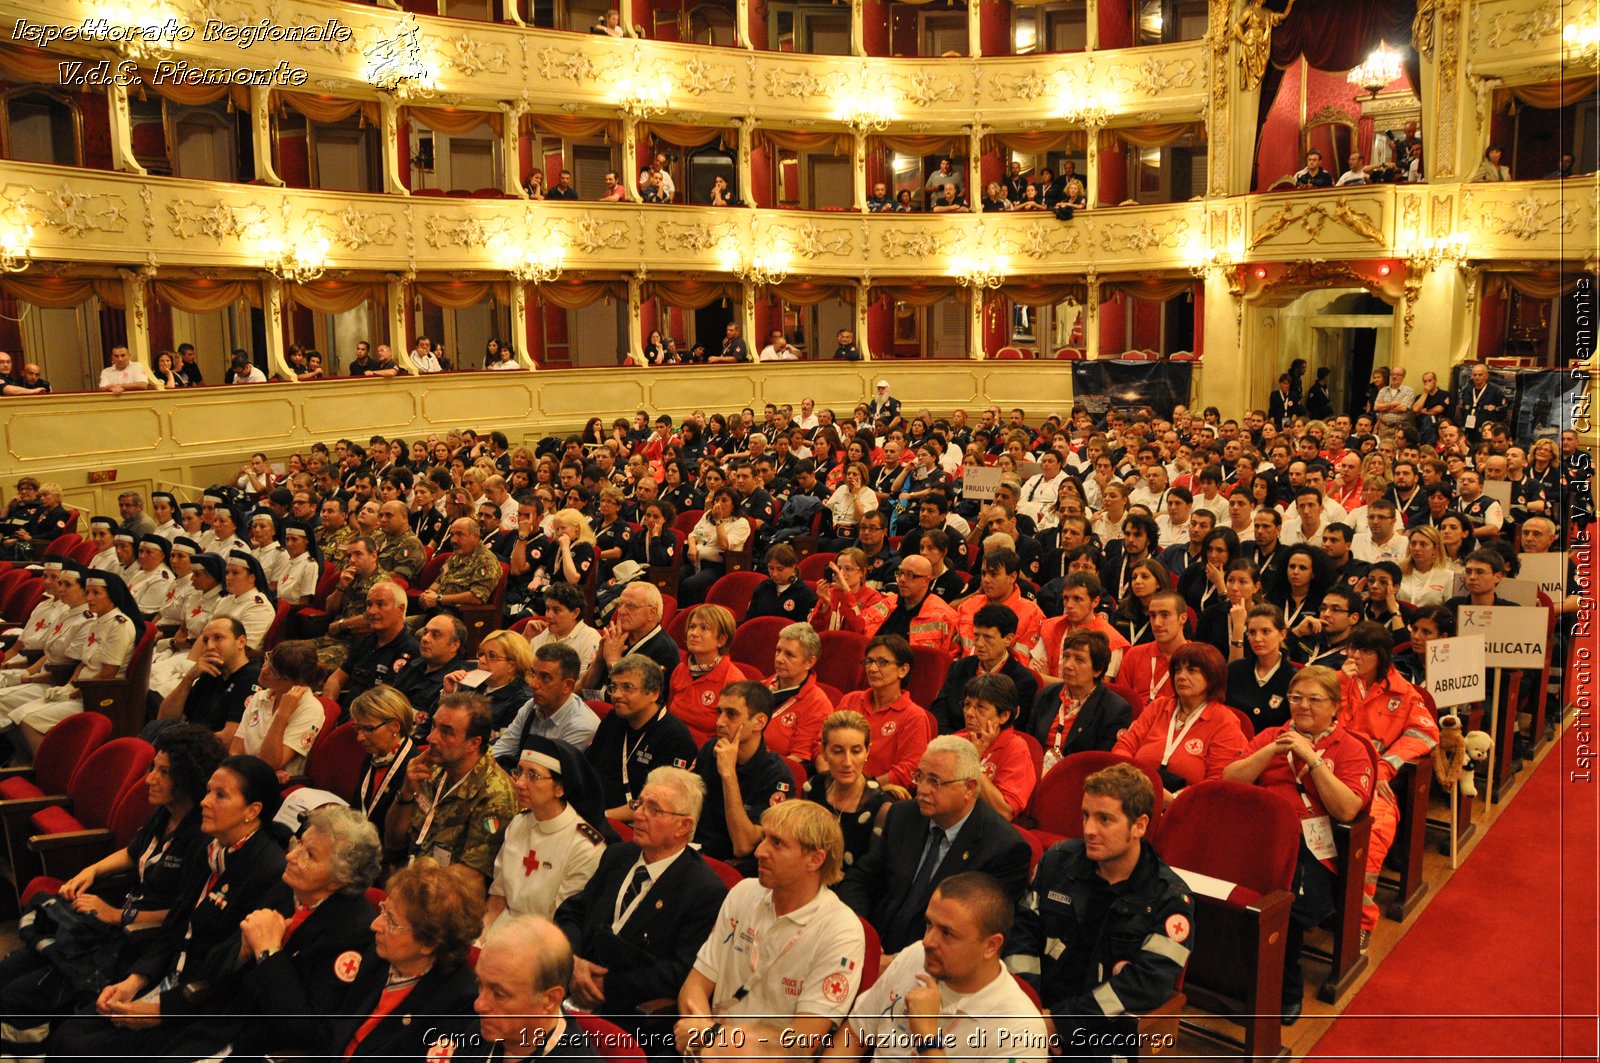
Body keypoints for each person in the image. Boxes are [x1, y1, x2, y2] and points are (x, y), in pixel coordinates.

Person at [45, 756, 293, 1058]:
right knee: (69, 1031)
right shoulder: (209, 847)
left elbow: (233, 975)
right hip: (168, 978)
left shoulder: (268, 872)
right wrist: (135, 980)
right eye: (207, 791)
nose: (204, 802)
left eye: (220, 795)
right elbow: (175, 926)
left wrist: (159, 1010)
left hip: (202, 1006)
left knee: (81, 1047)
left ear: (252, 811)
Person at [0, 724, 221, 1054]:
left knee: (19, 997)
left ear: (189, 778)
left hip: (141, 940)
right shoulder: (165, 813)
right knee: (7, 971)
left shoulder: (201, 836)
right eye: (152, 768)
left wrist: (118, 914)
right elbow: (135, 853)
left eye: (163, 772)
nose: (149, 779)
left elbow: (185, 912)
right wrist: (91, 871)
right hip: (113, 923)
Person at [1005, 764, 1195, 1047]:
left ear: (1139, 826)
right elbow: (1022, 938)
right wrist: (1029, 1009)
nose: (1089, 829)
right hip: (1031, 1015)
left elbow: (1145, 986)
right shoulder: (1057, 863)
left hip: (1105, 1032)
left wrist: (1061, 1023)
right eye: (1085, 815)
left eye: (1104, 819)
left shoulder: (1170, 899)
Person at [1223, 665, 1373, 1021]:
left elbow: (1349, 809)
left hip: (1315, 850)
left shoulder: (1350, 748)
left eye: (1314, 700)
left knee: (1280, 899)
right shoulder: (1272, 736)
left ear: (1336, 706)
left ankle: (1284, 991)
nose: (1303, 706)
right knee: (1219, 885)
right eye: (1296, 698)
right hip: (1261, 836)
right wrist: (1272, 750)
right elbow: (1230, 781)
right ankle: (1224, 980)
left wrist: (1312, 757)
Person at [676, 800, 865, 1057]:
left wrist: (714, 1038)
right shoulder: (743, 893)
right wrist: (705, 1040)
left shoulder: (841, 931)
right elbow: (695, 986)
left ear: (815, 859)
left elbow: (801, 1042)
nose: (759, 851)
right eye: (764, 838)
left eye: (777, 843)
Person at [197, 806, 384, 1057]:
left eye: (309, 855)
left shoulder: (354, 933)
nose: (291, 857)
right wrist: (243, 949)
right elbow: (213, 968)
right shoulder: (286, 889)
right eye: (299, 844)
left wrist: (269, 954)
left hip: (263, 1050)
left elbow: (304, 1030)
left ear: (339, 880)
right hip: (218, 1025)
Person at [556, 765, 727, 1030]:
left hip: (631, 1015)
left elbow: (679, 972)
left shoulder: (703, 889)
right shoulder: (618, 856)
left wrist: (606, 985)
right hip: (571, 986)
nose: (638, 814)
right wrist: (573, 962)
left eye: (653, 809)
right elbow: (573, 911)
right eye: (640, 803)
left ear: (684, 825)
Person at [838, 735, 1031, 955]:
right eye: (919, 777)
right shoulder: (903, 815)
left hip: (937, 966)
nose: (922, 789)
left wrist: (904, 963)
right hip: (875, 947)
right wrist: (862, 936)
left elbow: (974, 935)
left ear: (969, 788)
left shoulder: (1004, 849)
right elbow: (861, 879)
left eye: (934, 781)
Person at [828, 872, 1048, 1063]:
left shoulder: (1021, 1030)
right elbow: (854, 1035)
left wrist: (928, 1039)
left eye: (947, 933)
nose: (928, 942)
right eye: (929, 924)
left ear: (991, 946)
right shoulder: (916, 956)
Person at [325, 858, 484, 1058]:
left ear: (429, 943)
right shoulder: (379, 957)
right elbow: (333, 1033)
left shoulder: (457, 1003)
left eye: (391, 921)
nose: (375, 925)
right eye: (383, 910)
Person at [1340, 621, 1439, 932]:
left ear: (1382, 656)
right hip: (1328, 770)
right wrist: (1342, 684)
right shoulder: (1336, 682)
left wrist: (1384, 766)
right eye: (1352, 647)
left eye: (1365, 650)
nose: (1355, 655)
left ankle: (1361, 923)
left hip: (1374, 781)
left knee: (1375, 832)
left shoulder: (1404, 693)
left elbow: (1425, 734)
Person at [0, 568, 140, 759]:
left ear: (112, 596)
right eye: (88, 592)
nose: (89, 597)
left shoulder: (119, 625)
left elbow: (108, 673)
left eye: (96, 593)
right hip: (79, 689)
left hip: (96, 695)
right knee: (18, 714)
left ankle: (48, 769)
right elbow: (82, 664)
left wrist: (75, 691)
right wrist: (68, 686)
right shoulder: (99, 621)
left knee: (27, 719)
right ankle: (26, 761)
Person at [385, 692, 519, 888]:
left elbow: (469, 881)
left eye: (446, 732)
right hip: (408, 877)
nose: (431, 738)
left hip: (443, 899)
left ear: (473, 744)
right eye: (433, 726)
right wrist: (406, 793)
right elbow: (393, 842)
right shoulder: (433, 768)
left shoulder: (494, 795)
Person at [485, 736, 607, 931]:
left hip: (542, 944)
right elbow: (498, 899)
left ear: (560, 788)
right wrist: (479, 942)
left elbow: (562, 924)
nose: (520, 783)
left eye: (533, 775)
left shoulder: (584, 847)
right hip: (500, 929)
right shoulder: (519, 822)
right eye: (520, 772)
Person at [1112, 642, 1247, 804]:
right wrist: (1135, 782)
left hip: (1190, 806)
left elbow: (1219, 781)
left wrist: (1176, 799)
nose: (1181, 676)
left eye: (1191, 670)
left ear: (1212, 676)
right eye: (1177, 670)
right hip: (1135, 795)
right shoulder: (1158, 707)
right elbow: (1124, 746)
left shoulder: (1225, 722)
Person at [692, 681, 795, 862]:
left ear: (759, 722)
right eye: (719, 712)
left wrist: (728, 774)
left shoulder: (777, 777)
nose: (719, 722)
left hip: (730, 865)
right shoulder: (711, 749)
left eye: (731, 714)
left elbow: (743, 846)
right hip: (693, 850)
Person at [471, 915, 585, 1058]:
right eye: (480, 984)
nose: (479, 1005)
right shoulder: (481, 1029)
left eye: (499, 994)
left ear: (549, 1000)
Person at [835, 634, 936, 788]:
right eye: (869, 661)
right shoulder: (851, 700)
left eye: (882, 662)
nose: (872, 668)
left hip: (880, 793)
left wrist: (863, 787)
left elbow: (909, 771)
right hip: (837, 784)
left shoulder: (914, 716)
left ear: (903, 670)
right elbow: (823, 743)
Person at [801, 710, 894, 870]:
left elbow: (872, 875)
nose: (847, 762)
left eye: (856, 751)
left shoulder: (881, 807)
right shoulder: (813, 787)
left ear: (867, 751)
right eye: (837, 751)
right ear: (823, 751)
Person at [1030, 630, 1132, 774]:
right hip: (1034, 771)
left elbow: (1099, 765)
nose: (1068, 665)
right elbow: (1029, 743)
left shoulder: (1115, 710)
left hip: (1077, 779)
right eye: (1066, 657)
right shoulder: (1047, 695)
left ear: (1098, 670)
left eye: (1079, 660)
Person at [930, 603, 1038, 734]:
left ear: (1008, 639)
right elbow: (939, 710)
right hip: (951, 741)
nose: (979, 644)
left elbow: (1012, 728)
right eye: (976, 636)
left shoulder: (1023, 681)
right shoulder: (959, 667)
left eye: (988, 637)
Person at [229, 639, 326, 780]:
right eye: (268, 660)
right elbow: (235, 750)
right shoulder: (261, 696)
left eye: (274, 670)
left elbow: (269, 763)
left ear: (295, 682)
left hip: (273, 785)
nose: (264, 669)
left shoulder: (310, 709)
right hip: (245, 775)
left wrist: (282, 714)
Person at [493, 643, 602, 761]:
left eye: (545, 678)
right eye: (533, 674)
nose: (533, 684)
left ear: (567, 685)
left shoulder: (581, 726)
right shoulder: (531, 705)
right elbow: (502, 749)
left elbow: (551, 775)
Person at [321, 581, 420, 709]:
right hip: (346, 715)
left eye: (380, 604)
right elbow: (336, 679)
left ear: (400, 610)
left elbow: (386, 705)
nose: (372, 611)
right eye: (369, 604)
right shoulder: (368, 640)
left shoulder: (410, 651)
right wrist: (328, 710)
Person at [953, 674, 1037, 821]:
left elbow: (1004, 812)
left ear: (1003, 716)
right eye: (967, 705)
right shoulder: (957, 740)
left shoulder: (1016, 749)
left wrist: (974, 761)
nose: (969, 713)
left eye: (980, 707)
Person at [667, 603, 744, 742]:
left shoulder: (734, 682)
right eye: (692, 627)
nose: (694, 633)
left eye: (704, 628)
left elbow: (731, 738)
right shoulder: (680, 669)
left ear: (721, 640)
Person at [764, 621, 834, 762]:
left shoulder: (817, 704)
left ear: (809, 662)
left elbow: (798, 759)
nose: (779, 659)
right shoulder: (763, 687)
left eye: (789, 655)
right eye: (778, 651)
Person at [445, 628, 534, 731]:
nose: (481, 660)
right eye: (481, 653)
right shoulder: (472, 682)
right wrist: (448, 693)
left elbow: (506, 742)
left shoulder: (521, 700)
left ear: (512, 665)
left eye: (491, 656)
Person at [1226, 603, 1295, 731]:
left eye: (1265, 632)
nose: (1257, 638)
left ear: (1282, 635)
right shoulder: (1235, 670)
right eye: (1252, 632)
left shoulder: (1293, 678)